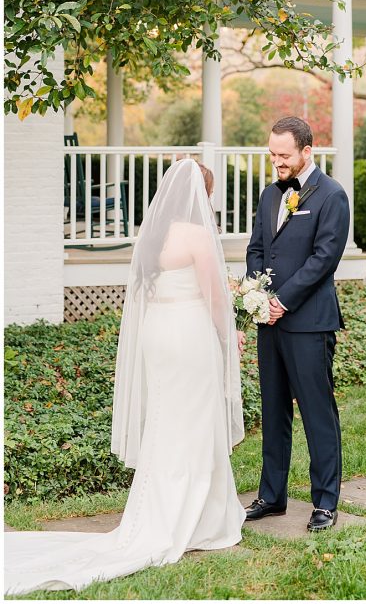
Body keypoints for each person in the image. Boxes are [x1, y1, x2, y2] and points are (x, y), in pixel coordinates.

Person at [5, 159, 246, 595]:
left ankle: (159, 510)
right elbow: (215, 297)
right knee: (194, 420)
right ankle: (194, 519)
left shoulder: (150, 234)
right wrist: (231, 335)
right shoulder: (196, 235)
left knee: (166, 419)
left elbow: (142, 289)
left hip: (157, 332)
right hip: (189, 332)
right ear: (202, 193)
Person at [243, 116, 350, 532]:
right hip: (268, 322)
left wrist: (283, 301)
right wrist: (259, 297)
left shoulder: (332, 196)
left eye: (283, 155)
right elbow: (257, 249)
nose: (277, 162)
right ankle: (272, 496)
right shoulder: (270, 195)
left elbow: (323, 260)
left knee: (316, 412)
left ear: (308, 150)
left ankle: (325, 501)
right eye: (272, 154)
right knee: (273, 411)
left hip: (308, 322)